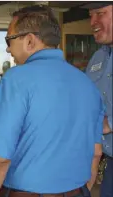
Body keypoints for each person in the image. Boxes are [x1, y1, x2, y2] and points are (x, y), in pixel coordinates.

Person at [0, 5, 104, 197]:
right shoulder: (86, 83)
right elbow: (95, 152)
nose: (8, 49)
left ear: (29, 40)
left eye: (9, 40)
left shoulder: (16, 79)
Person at [82, 2, 113, 197]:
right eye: (90, 15)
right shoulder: (97, 58)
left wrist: (109, 123)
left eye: (100, 13)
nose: (93, 22)